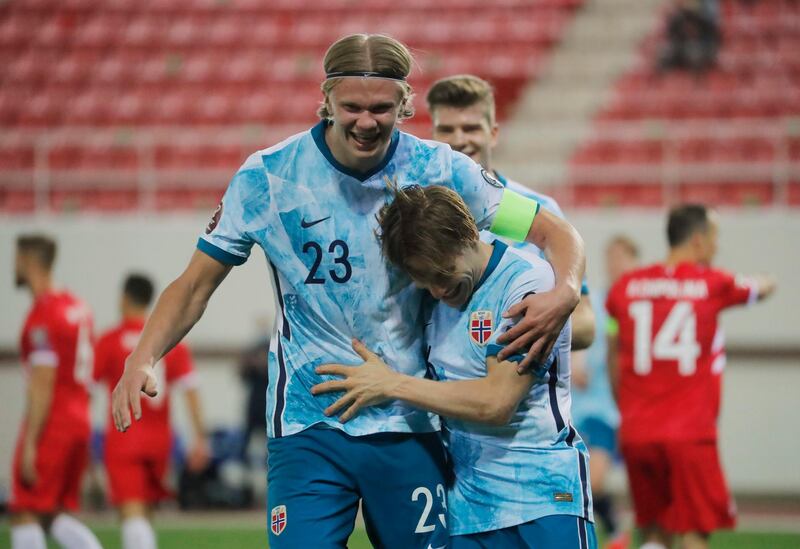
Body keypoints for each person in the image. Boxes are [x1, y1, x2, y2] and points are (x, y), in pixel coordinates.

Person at [111, 33, 586, 548]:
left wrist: (566, 288)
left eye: (381, 108)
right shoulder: (267, 178)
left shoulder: (442, 169)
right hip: (309, 424)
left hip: (410, 422)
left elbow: (551, 230)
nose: (366, 121)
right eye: (352, 107)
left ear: (404, 104)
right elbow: (194, 284)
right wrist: (144, 355)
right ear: (327, 99)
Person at [312, 183, 596, 548]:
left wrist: (391, 384)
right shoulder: (431, 298)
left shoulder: (527, 284)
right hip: (468, 508)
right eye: (425, 281)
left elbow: (496, 403)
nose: (436, 291)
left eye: (443, 275)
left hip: (543, 499)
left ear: (468, 235)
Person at [606, 205, 776, 549]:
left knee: (653, 533)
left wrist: (626, 409)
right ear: (698, 241)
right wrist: (769, 281)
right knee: (694, 534)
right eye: (715, 239)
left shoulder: (626, 286)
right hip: (690, 434)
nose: (717, 248)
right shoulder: (712, 283)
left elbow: (613, 355)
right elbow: (761, 287)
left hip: (638, 431)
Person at [425, 74, 595, 350]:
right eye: (446, 130)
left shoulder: (541, 212)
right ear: (433, 137)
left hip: (515, 381)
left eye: (471, 128)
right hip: (440, 384)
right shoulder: (421, 214)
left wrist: (523, 331)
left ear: (493, 134)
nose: (458, 140)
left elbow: (586, 324)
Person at [93, 274, 209, 549]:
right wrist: (200, 438)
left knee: (131, 514)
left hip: (124, 435)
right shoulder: (168, 341)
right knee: (145, 513)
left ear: (124, 297)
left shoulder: (110, 340)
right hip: (160, 440)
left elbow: (87, 388)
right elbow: (190, 389)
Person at [9, 234, 102, 549]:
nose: (13, 266)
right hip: (79, 420)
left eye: (16, 259)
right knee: (54, 513)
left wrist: (31, 443)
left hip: (54, 424)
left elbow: (42, 382)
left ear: (28, 261)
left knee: (24, 511)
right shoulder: (78, 306)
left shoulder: (43, 314)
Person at [571, 235, 640, 543]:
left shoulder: (639, 305)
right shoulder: (597, 302)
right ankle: (613, 530)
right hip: (580, 406)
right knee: (580, 483)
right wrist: (574, 366)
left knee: (593, 480)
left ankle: (616, 528)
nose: (615, 264)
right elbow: (579, 337)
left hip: (611, 411)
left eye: (621, 258)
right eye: (610, 257)